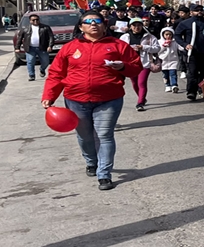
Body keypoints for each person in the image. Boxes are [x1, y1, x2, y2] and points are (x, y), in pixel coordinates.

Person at [41, 10, 143, 190]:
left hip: (109, 99)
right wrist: (49, 95)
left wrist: (122, 67)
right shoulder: (70, 48)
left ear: (104, 25)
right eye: (88, 22)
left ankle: (104, 174)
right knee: (85, 136)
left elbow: (136, 67)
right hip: (75, 99)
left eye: (97, 21)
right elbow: (56, 73)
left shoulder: (118, 45)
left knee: (104, 135)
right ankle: (91, 162)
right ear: (81, 27)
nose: (93, 24)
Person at [121, 18, 161, 111]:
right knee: (134, 83)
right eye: (134, 25)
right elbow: (120, 49)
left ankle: (140, 103)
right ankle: (142, 97)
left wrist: (144, 47)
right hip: (131, 64)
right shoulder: (125, 37)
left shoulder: (149, 37)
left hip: (145, 63)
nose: (137, 27)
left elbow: (157, 48)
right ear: (130, 27)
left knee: (141, 83)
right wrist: (130, 49)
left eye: (139, 25)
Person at [174, 4, 204, 101]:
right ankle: (191, 92)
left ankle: (202, 89)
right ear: (191, 12)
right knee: (192, 73)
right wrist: (185, 44)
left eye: (201, 10)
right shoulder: (185, 23)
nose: (199, 12)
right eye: (196, 10)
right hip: (192, 53)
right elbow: (177, 35)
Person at [16, 13, 55, 80]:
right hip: (30, 48)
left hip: (42, 48)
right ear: (30, 21)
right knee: (30, 61)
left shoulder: (45, 27)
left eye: (37, 19)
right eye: (33, 20)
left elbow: (51, 37)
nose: (35, 21)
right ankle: (32, 75)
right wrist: (17, 47)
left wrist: (50, 46)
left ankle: (42, 69)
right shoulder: (25, 28)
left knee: (46, 62)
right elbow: (19, 38)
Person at [158, 27, 183, 93]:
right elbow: (157, 50)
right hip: (163, 61)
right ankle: (167, 85)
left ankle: (174, 85)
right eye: (166, 34)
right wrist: (164, 46)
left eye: (170, 34)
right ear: (163, 35)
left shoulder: (174, 42)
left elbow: (180, 48)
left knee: (173, 73)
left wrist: (185, 46)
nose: (168, 36)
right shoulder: (159, 42)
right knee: (165, 75)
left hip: (173, 60)